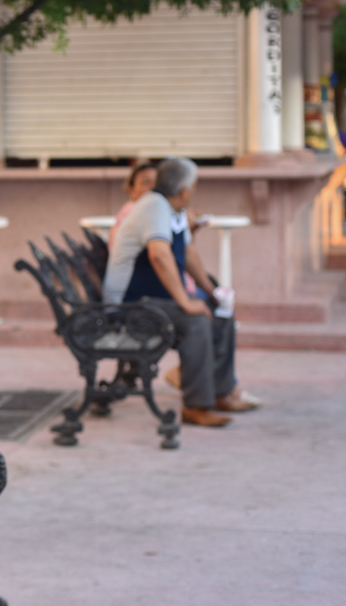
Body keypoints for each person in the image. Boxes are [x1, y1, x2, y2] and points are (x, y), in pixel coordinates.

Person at [102, 157, 259, 427]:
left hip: (153, 299)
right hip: (131, 305)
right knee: (196, 322)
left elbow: (188, 253)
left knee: (219, 313)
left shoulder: (172, 209)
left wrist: (213, 293)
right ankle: (196, 406)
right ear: (185, 189)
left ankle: (221, 392)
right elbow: (159, 256)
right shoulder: (153, 207)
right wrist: (186, 302)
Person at [108, 162, 158, 251]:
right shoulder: (134, 213)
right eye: (146, 182)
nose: (153, 187)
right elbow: (158, 255)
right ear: (131, 190)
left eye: (157, 182)